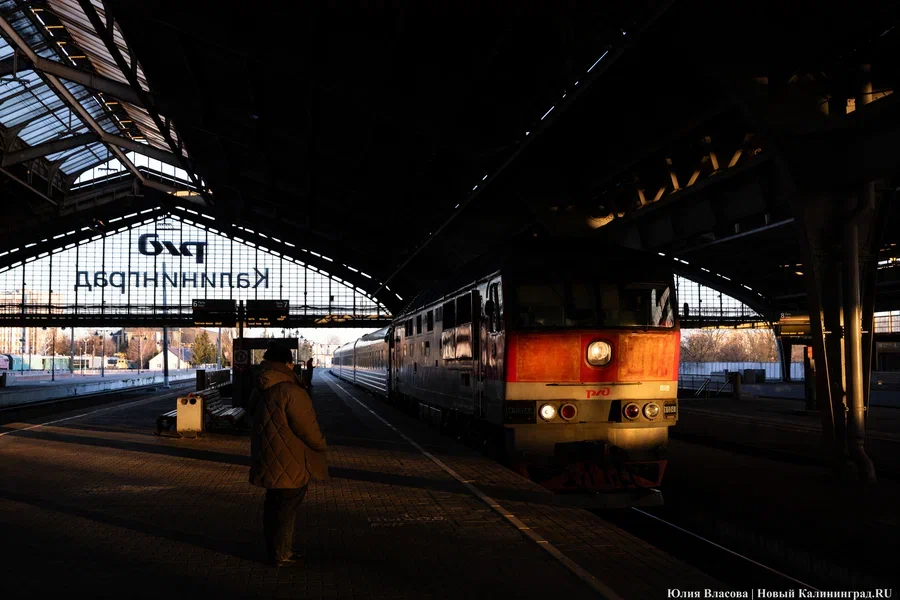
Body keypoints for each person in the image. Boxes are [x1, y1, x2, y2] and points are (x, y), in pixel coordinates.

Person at [249, 343, 329, 567]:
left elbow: (251, 413)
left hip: (267, 454)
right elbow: (307, 428)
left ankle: (274, 550)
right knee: (286, 509)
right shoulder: (292, 391)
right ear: (287, 364)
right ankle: (282, 554)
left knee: (273, 505)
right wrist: (321, 445)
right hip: (290, 459)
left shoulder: (261, 386)